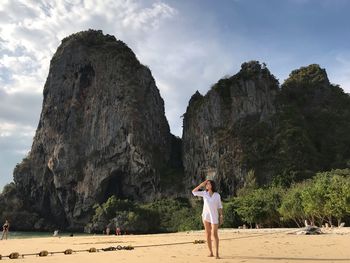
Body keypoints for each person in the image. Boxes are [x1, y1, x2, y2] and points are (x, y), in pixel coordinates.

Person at [192, 180, 223, 259]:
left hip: (214, 216)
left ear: (212, 185)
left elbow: (220, 207)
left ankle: (217, 253)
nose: (206, 185)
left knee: (214, 234)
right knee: (208, 235)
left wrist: (221, 216)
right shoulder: (204, 193)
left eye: (208, 184)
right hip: (206, 216)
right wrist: (201, 185)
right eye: (206, 184)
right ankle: (211, 252)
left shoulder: (217, 195)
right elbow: (193, 192)